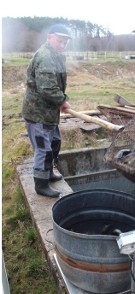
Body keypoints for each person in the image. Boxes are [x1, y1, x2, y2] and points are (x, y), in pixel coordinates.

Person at [22, 24, 73, 198]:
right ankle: (41, 184)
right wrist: (63, 101)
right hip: (38, 114)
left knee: (55, 143)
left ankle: (48, 172)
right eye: (59, 41)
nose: (62, 44)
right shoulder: (45, 57)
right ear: (49, 37)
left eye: (65, 42)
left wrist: (60, 101)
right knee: (43, 150)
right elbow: (47, 88)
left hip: (49, 113)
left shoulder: (56, 55)